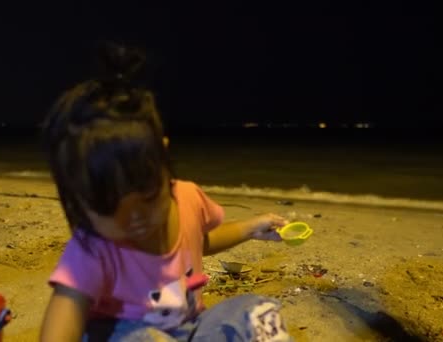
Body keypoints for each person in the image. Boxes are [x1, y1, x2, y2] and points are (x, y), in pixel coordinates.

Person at [39, 42, 293, 342]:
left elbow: (199, 240)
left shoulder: (188, 197)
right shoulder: (93, 248)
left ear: (162, 157)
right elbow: (65, 311)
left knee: (257, 314)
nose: (133, 217)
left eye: (145, 192)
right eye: (108, 205)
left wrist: (250, 228)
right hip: (127, 336)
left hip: (189, 328)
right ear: (78, 198)